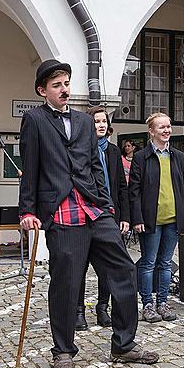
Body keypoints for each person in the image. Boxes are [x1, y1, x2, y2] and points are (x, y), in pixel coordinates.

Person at [19, 59, 158, 368]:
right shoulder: (35, 120)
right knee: (66, 282)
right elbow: (30, 169)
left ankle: (123, 344)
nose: (64, 89)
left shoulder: (84, 122)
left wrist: (107, 204)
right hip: (61, 210)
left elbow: (95, 165)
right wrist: (27, 211)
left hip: (95, 208)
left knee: (124, 269)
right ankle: (64, 349)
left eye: (66, 83)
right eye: (56, 85)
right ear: (43, 90)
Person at [130, 112, 184, 323]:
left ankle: (163, 302)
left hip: (174, 219)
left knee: (166, 263)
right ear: (151, 131)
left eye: (168, 126)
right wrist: (136, 218)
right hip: (150, 220)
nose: (167, 130)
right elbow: (134, 192)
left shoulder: (180, 157)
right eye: (161, 127)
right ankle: (148, 304)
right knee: (149, 262)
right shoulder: (141, 157)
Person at [76, 106, 130, 329]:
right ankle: (78, 311)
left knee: (108, 267)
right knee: (80, 266)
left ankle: (102, 308)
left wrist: (124, 216)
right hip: (85, 214)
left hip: (109, 214)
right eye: (96, 120)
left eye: (103, 121)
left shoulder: (114, 151)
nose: (101, 124)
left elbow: (121, 187)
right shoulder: (79, 149)